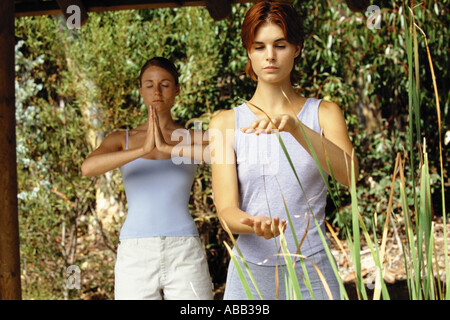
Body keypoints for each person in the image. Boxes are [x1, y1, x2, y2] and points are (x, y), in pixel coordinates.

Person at [209, 1, 359, 300]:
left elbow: (350, 176)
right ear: (248, 51)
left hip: (314, 268)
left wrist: (296, 128)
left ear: (297, 48)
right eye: (259, 46)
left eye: (280, 45)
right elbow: (226, 211)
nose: (269, 56)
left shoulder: (324, 113)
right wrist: (254, 224)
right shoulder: (225, 122)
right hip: (251, 272)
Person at [81, 57, 213, 300]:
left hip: (184, 250)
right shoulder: (122, 139)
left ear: (177, 89)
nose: (157, 91)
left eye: (164, 84)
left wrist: (168, 148)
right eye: (149, 85)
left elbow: (225, 154)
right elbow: (88, 168)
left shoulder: (191, 136)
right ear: (140, 90)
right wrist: (142, 151)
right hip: (135, 252)